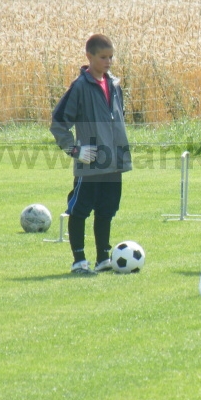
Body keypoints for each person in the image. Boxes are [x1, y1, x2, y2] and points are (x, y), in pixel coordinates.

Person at [50, 34, 132, 274]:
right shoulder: (79, 87)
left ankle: (103, 259)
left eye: (111, 57)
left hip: (113, 162)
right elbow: (58, 123)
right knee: (80, 210)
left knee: (107, 210)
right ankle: (78, 261)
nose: (108, 62)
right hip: (91, 163)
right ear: (90, 56)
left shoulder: (115, 85)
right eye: (103, 57)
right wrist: (75, 150)